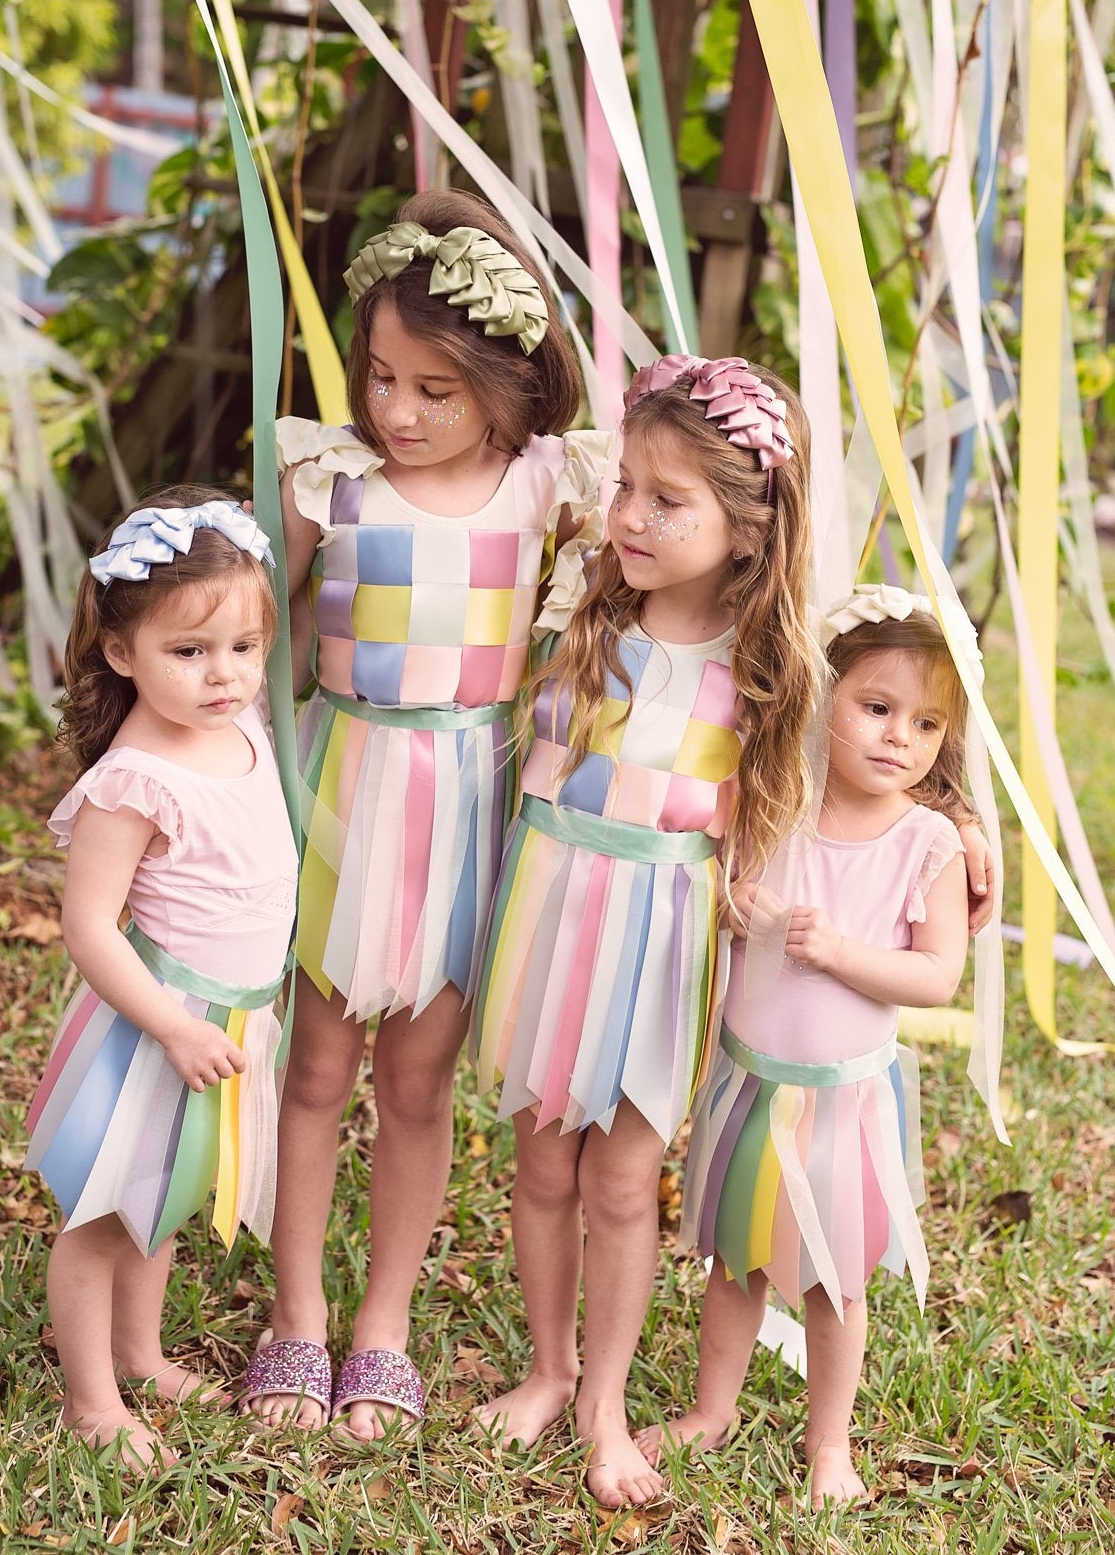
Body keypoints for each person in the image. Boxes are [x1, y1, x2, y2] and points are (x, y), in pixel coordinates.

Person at [241, 190, 610, 1437]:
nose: (395, 412)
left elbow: (684, 604)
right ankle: (297, 1313)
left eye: (434, 391)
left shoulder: (550, 488)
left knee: (415, 1080)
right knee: (315, 1067)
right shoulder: (328, 480)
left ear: (508, 389)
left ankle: (382, 1323)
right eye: (381, 377)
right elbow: (245, 634)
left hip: (470, 809)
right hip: (343, 793)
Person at [471, 352, 822, 1508]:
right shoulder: (578, 611)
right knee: (541, 1162)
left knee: (623, 1182)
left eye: (668, 500)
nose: (628, 515)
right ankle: (547, 1369)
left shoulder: (763, 673)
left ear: (748, 530)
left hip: (659, 944)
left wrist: (961, 827)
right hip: (551, 916)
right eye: (626, 485)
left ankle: (605, 1404)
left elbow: (882, 761)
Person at [639, 588, 975, 1507]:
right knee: (738, 1260)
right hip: (753, 1084)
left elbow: (938, 976)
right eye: (877, 707)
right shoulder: (779, 797)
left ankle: (831, 1444)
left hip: (844, 1102)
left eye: (926, 724)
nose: (899, 737)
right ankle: (711, 1410)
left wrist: (840, 953)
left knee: (834, 1280)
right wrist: (738, 903)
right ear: (824, 695)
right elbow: (725, 885)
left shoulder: (928, 842)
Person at [25, 487, 297, 1467]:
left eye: (244, 645)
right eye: (188, 651)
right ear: (121, 651)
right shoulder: (137, 778)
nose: (224, 673)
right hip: (157, 1023)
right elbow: (88, 927)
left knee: (167, 1192)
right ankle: (91, 1401)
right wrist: (174, 1027)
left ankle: (139, 1354)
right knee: (104, 1213)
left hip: (228, 1020)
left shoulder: (241, 723)